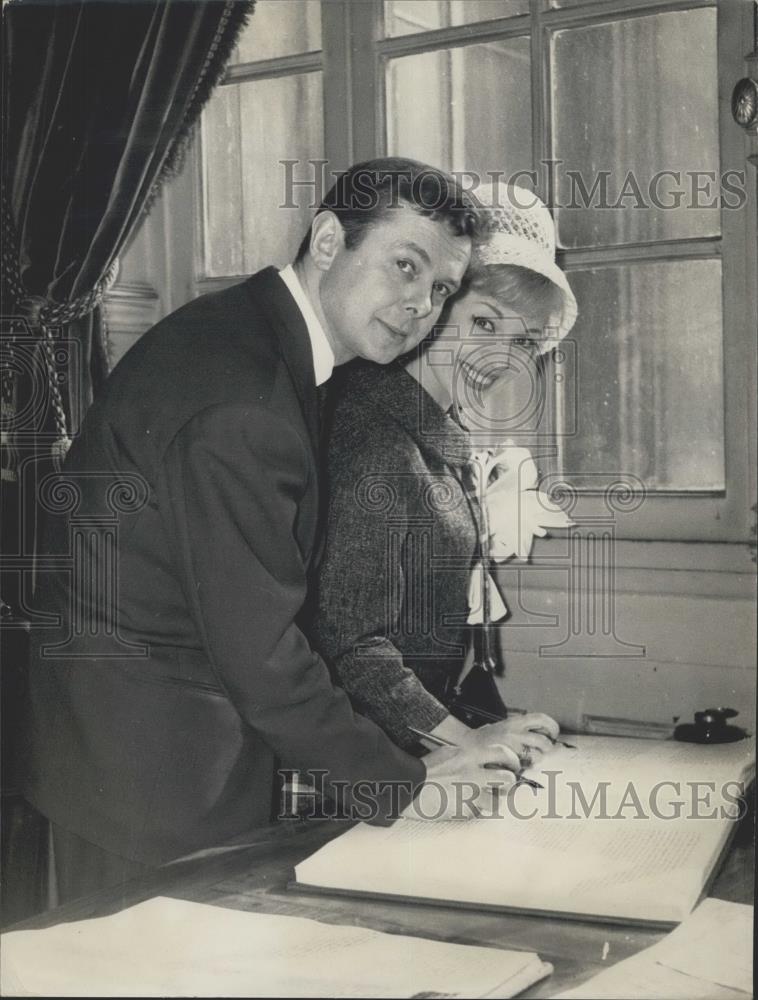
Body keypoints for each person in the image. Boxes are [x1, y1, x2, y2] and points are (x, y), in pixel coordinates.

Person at [21, 159, 522, 902]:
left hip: (144, 751)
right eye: (404, 266)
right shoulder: (245, 398)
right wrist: (404, 785)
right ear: (327, 241)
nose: (420, 305)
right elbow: (259, 649)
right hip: (146, 779)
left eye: (441, 287)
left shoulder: (257, 338)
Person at [313, 183, 577, 763]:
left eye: (523, 341)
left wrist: (477, 729)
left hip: (408, 748)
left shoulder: (430, 422)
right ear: (435, 302)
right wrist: (465, 740)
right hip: (359, 766)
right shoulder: (374, 429)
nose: (499, 361)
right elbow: (350, 644)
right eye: (485, 324)